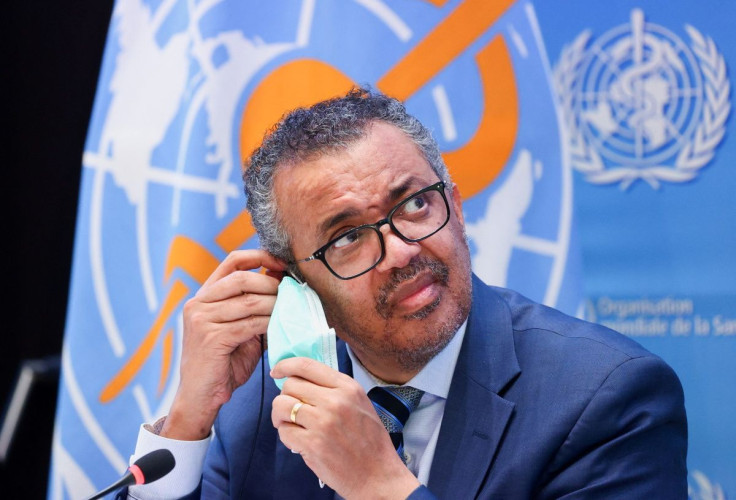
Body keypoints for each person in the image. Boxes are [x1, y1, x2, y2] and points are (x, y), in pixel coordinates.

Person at [124, 87, 687, 499]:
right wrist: (187, 422)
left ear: (457, 208)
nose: (401, 250)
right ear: (294, 282)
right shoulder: (261, 405)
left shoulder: (605, 400)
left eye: (416, 204)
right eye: (347, 237)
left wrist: (379, 486)